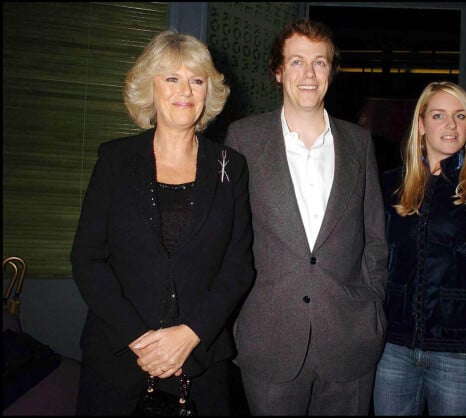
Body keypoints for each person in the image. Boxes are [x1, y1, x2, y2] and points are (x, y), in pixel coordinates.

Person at [70, 29, 255, 416]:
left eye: (196, 80)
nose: (184, 91)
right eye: (172, 78)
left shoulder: (230, 167)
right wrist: (140, 339)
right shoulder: (115, 161)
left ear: (209, 91)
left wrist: (189, 334)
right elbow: (88, 259)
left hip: (201, 360)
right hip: (119, 357)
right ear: (149, 87)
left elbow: (238, 267)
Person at [224, 19, 389, 416]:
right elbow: (229, 239)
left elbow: (375, 237)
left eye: (320, 62)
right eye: (297, 62)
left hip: (350, 341)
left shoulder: (360, 142)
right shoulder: (243, 139)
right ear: (277, 71)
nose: (309, 74)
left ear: (332, 71)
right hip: (269, 342)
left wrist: (373, 306)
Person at [373, 81, 466, 416]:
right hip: (393, 349)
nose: (450, 125)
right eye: (439, 115)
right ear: (422, 124)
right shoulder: (390, 184)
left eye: (459, 116)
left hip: (460, 355)